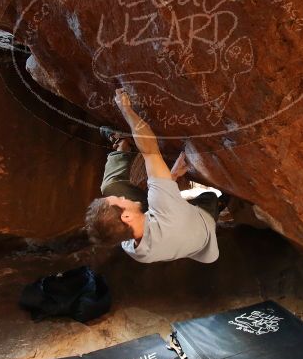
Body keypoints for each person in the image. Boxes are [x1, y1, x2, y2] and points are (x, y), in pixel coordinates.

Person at [85, 89, 220, 263]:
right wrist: (126, 109)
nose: (120, 196)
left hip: (179, 231)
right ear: (126, 217)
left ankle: (123, 144)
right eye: (118, 199)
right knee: (209, 197)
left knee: (110, 186)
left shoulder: (129, 245)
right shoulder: (165, 211)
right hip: (203, 222)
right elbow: (149, 150)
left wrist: (171, 177)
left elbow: (164, 206)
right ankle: (221, 202)